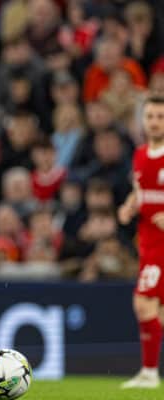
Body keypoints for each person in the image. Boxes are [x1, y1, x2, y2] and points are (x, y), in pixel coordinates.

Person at [118, 95, 164, 389]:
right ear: (142, 120)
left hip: (162, 244)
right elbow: (140, 190)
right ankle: (149, 372)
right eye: (150, 116)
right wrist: (128, 205)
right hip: (146, 240)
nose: (155, 122)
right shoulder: (139, 154)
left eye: (160, 116)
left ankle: (149, 373)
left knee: (143, 303)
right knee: (157, 311)